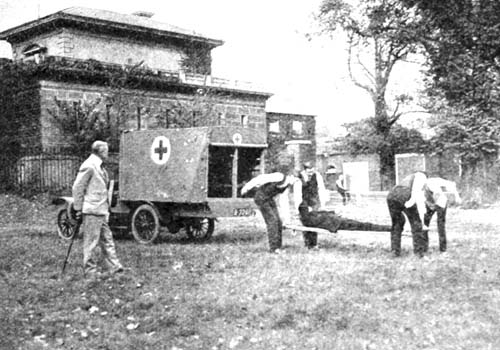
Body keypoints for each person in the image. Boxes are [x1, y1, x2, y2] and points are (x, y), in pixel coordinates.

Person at [72, 140, 124, 278]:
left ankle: (115, 267)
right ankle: (90, 272)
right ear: (100, 152)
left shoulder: (99, 166)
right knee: (91, 242)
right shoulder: (89, 166)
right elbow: (78, 187)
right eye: (106, 151)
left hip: (101, 210)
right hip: (92, 211)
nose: (107, 153)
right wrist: (78, 208)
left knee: (107, 239)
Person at [386, 171, 461, 257]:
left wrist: (457, 197)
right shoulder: (421, 181)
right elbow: (418, 199)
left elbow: (450, 186)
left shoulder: (432, 181)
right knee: (419, 224)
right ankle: (421, 251)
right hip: (418, 200)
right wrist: (413, 205)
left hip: (392, 196)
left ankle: (395, 252)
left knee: (398, 223)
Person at [241, 163, 296, 253]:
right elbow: (260, 179)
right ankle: (273, 248)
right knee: (272, 221)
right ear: (291, 175)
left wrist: (287, 221)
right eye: (295, 179)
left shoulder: (286, 186)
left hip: (269, 199)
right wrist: (246, 188)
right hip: (261, 198)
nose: (295, 182)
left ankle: (278, 247)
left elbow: (284, 203)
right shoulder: (279, 176)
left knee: (278, 221)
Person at [293, 161, 329, 249]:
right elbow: (297, 194)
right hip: (303, 201)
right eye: (309, 170)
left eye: (312, 170)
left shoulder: (317, 176)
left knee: (314, 221)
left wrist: (323, 203)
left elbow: (321, 188)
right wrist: (298, 207)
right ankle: (307, 243)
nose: (311, 172)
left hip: (314, 201)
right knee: (305, 222)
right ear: (305, 170)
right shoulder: (299, 177)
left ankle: (314, 244)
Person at [297, 202, 391, 235]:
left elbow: (321, 213)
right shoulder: (308, 219)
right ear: (305, 210)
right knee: (363, 225)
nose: (311, 208)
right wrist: (328, 215)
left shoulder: (310, 215)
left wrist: (332, 212)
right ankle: (388, 228)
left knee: (363, 224)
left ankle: (388, 227)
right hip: (336, 224)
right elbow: (319, 219)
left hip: (336, 221)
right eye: (308, 208)